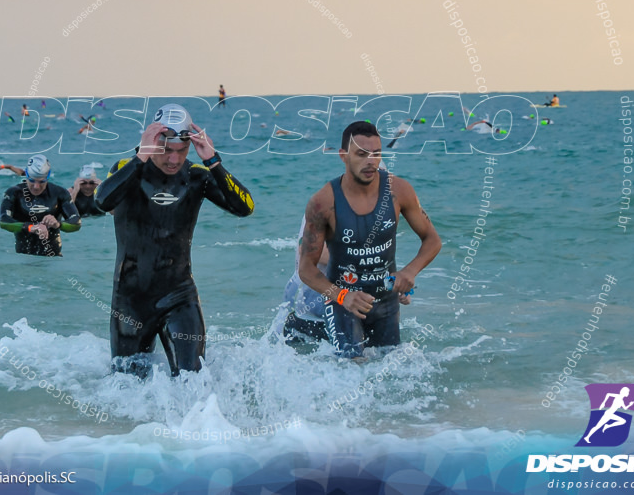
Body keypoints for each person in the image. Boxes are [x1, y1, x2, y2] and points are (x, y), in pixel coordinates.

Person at [95, 104, 254, 376]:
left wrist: (213, 162)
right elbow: (101, 200)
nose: (173, 160)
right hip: (130, 300)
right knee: (127, 388)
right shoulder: (127, 169)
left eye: (181, 151)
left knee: (193, 381)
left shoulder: (196, 177)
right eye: (166, 150)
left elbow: (244, 207)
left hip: (179, 295)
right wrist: (141, 157)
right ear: (152, 143)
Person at [298, 121, 441, 359]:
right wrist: (343, 296)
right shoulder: (323, 203)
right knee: (351, 367)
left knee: (389, 371)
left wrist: (409, 272)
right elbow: (306, 269)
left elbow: (432, 240)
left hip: (386, 301)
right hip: (343, 302)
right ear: (343, 156)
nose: (370, 161)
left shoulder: (399, 191)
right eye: (361, 154)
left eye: (376, 154)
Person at [283, 215, 409, 344]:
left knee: (378, 354)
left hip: (354, 307)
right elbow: (307, 250)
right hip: (312, 306)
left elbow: (378, 262)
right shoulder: (326, 204)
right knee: (347, 358)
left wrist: (392, 287)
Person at [0, 155, 81, 257]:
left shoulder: (59, 193)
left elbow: (76, 223)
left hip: (53, 259)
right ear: (26, 175)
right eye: (32, 180)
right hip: (23, 259)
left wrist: (57, 224)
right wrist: (30, 227)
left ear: (48, 177)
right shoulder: (14, 193)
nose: (36, 187)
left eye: (41, 181)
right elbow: (4, 221)